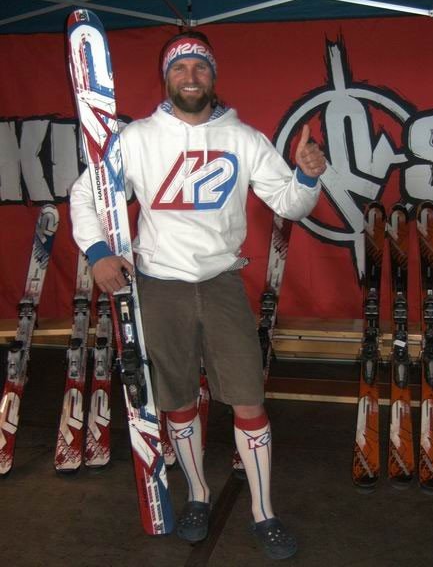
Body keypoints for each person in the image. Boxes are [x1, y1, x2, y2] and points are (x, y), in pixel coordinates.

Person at [70, 30, 326, 561]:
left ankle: (264, 512)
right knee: (179, 399)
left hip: (221, 282)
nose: (191, 76)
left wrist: (305, 177)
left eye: (201, 67)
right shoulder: (137, 138)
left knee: (248, 398)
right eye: (180, 67)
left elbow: (289, 204)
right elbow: (85, 195)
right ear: (166, 77)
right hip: (159, 284)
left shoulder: (244, 139)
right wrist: (97, 252)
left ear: (214, 76)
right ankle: (198, 495)